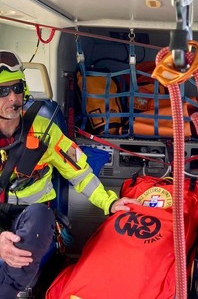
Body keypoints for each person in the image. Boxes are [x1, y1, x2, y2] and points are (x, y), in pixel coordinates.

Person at [0, 50, 140, 299]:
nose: (13, 98)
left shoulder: (45, 131)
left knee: (40, 216)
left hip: (32, 217)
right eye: (3, 91)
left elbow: (81, 174)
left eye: (17, 88)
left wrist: (109, 202)